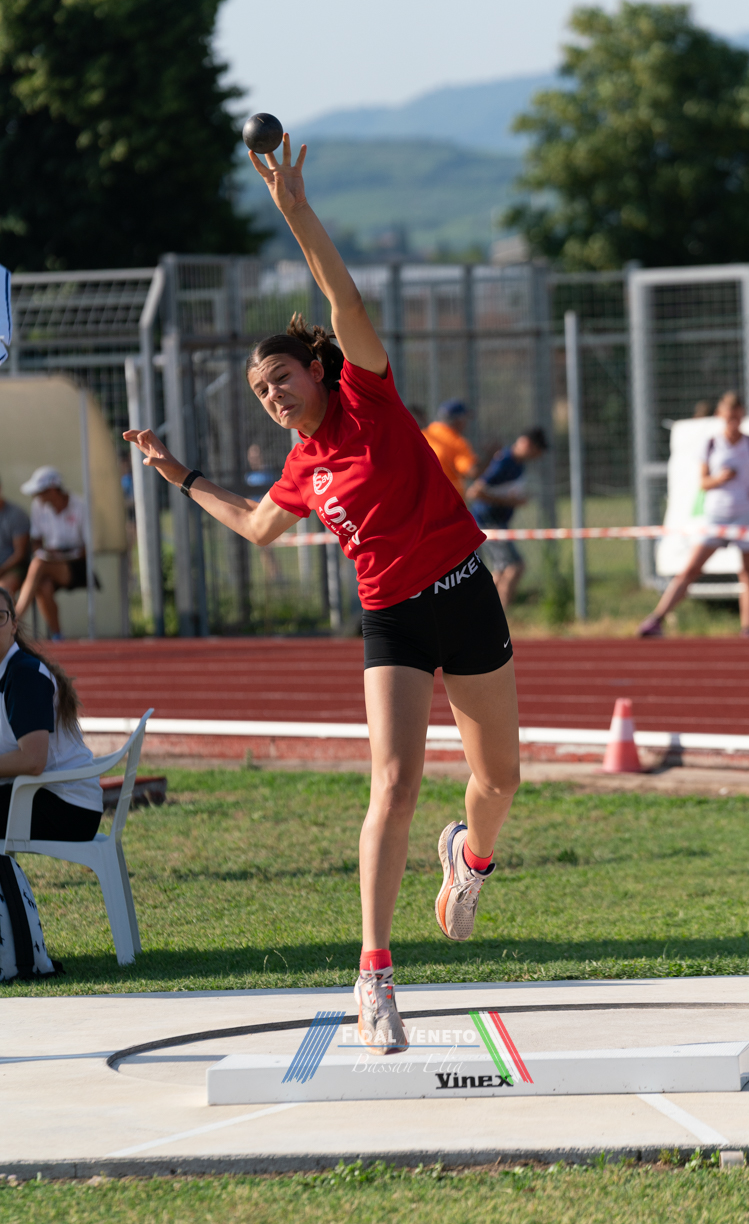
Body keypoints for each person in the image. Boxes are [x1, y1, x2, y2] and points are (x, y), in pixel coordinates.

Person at [124, 132, 520, 1055]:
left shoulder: (369, 396)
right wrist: (181, 476)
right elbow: (257, 525)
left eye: (281, 379)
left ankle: (469, 861)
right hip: (393, 619)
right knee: (394, 782)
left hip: (466, 592)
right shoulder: (303, 467)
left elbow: (344, 299)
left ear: (315, 370)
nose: (272, 396)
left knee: (499, 781)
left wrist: (296, 212)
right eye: (260, 391)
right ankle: (374, 975)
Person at [638, 391, 749, 639]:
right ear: (721, 415)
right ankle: (657, 618)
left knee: (748, 573)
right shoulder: (711, 444)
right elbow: (704, 482)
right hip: (717, 517)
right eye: (729, 418)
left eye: (737, 417)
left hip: (746, 515)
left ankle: (747, 629)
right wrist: (720, 478)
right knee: (691, 569)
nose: (733, 422)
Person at [0, 587, 103, 841]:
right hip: (44, 794)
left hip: (68, 806)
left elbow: (33, 760)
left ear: (14, 625)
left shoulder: (24, 675)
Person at [467, 429, 548, 609]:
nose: (536, 457)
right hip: (488, 521)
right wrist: (510, 501)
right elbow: (475, 492)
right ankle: (501, 612)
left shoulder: (518, 465)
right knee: (514, 566)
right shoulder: (503, 461)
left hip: (498, 522)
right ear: (528, 444)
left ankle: (486, 613)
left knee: (501, 569)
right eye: (537, 452)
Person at [14, 467, 90, 641]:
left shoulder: (80, 506)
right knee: (43, 585)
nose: (37, 497)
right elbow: (36, 540)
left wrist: (60, 555)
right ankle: (57, 636)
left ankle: (14, 619)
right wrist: (45, 553)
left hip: (77, 565)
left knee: (38, 564)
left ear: (53, 490)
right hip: (49, 563)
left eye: (40, 492)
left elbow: (87, 549)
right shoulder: (38, 506)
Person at [422, 400, 479, 497]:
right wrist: (490, 457)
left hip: (421, 495)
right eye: (465, 419)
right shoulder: (457, 442)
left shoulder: (424, 434)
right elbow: (472, 471)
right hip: (446, 498)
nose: (467, 424)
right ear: (458, 420)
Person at [0, 479, 30, 596]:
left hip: (13, 568)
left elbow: (20, 554)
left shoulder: (16, 514)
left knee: (2, 593)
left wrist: (2, 569)